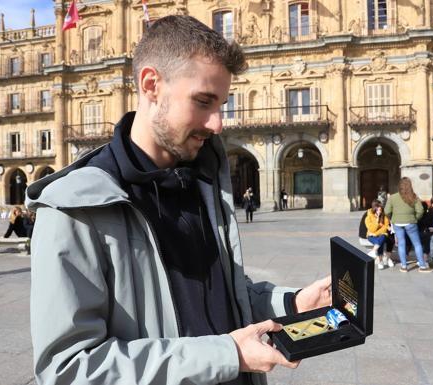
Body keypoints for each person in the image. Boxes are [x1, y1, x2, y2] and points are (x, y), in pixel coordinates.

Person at [26, 16, 331, 385]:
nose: (218, 124)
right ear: (151, 85)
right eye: (203, 102)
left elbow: (222, 296)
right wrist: (227, 355)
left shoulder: (200, 180)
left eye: (221, 104)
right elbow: (69, 369)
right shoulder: (75, 208)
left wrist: (293, 304)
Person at [385, 177, 431, 273]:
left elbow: (387, 211)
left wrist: (392, 218)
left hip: (397, 222)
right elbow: (420, 210)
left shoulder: (393, 197)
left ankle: (404, 266)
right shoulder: (414, 196)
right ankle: (422, 266)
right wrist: (415, 218)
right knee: (417, 244)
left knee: (401, 244)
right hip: (410, 222)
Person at [364, 200, 394, 270]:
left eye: (380, 210)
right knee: (379, 241)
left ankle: (376, 254)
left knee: (382, 237)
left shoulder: (384, 216)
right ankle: (381, 260)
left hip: (380, 235)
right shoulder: (368, 217)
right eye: (377, 210)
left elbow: (384, 228)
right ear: (374, 209)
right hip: (370, 236)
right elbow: (371, 229)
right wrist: (377, 222)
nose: (379, 211)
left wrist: (375, 233)